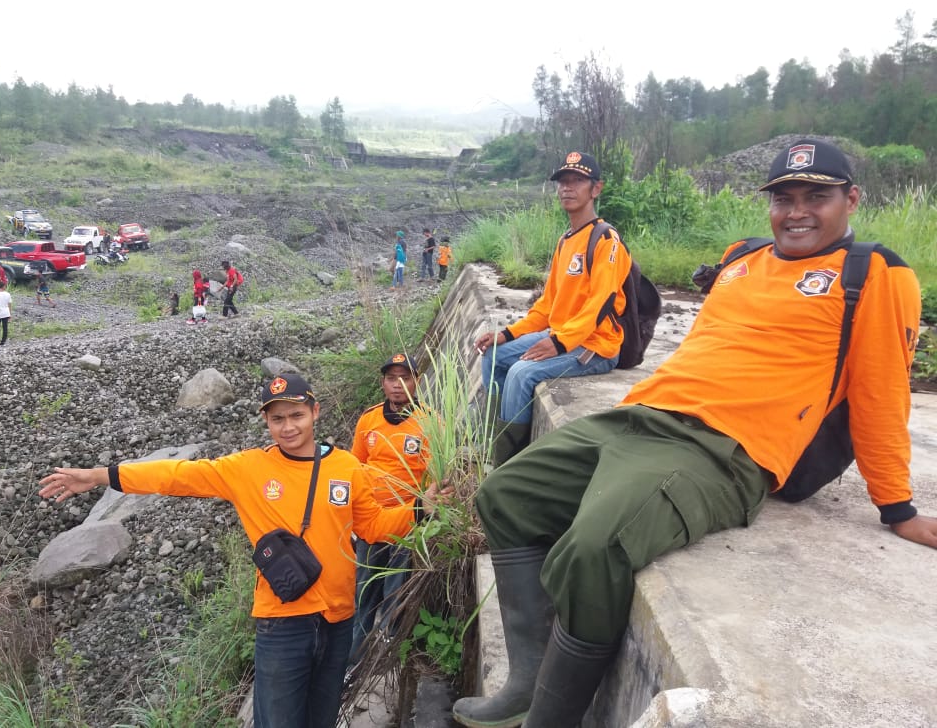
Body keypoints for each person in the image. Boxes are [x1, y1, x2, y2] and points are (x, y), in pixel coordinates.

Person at [452, 138, 935, 728]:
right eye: (785, 197)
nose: (798, 210)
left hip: (724, 449)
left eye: (818, 196)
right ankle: (525, 679)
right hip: (644, 416)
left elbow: (882, 393)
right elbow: (704, 349)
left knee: (593, 548)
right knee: (503, 495)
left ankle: (549, 717)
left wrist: (897, 506)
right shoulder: (741, 260)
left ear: (851, 199)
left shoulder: (873, 275)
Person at [39, 373, 453, 728]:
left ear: (315, 412)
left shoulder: (346, 467)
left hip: (337, 618)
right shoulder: (246, 469)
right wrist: (100, 476)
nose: (288, 427)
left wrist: (419, 509)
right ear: (266, 421)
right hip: (282, 622)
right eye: (277, 419)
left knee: (322, 718)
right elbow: (176, 475)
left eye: (295, 415)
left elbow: (373, 527)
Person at [473, 151, 631, 467]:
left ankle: (505, 464)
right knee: (493, 356)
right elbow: (547, 305)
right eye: (563, 181)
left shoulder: (606, 241)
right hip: (560, 335)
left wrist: (558, 343)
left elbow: (599, 304)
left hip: (593, 346)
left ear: (595, 189)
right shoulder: (566, 241)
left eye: (577, 181)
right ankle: (494, 440)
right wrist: (506, 334)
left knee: (521, 372)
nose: (567, 188)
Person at [347, 353, 432, 666]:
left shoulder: (429, 422)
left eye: (405, 378)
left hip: (406, 521)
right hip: (370, 520)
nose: (398, 385)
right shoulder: (368, 420)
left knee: (395, 590)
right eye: (392, 379)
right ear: (383, 383)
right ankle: (355, 656)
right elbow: (353, 468)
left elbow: (435, 476)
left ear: (416, 382)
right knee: (364, 589)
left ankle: (387, 655)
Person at [0, 281, 12, 346]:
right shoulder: (8, 294)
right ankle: (3, 341)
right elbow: (9, 304)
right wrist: (10, 314)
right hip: (6, 313)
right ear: (3, 286)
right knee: (5, 327)